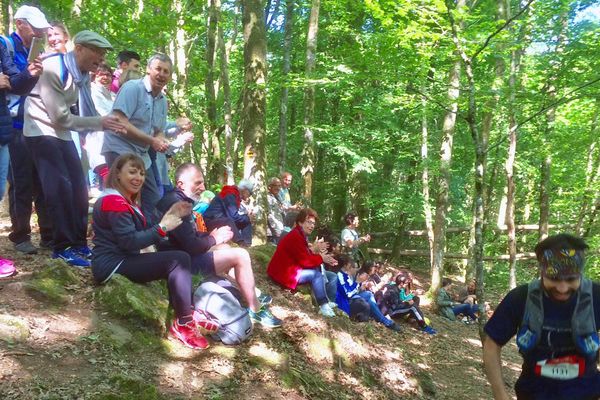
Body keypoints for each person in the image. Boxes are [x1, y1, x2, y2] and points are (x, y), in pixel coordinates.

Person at [91, 154, 217, 350]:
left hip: (123, 258)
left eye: (141, 173)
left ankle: (188, 314)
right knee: (179, 259)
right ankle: (184, 323)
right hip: (111, 264)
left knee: (179, 258)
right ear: (117, 174)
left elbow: (142, 232)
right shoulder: (113, 201)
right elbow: (129, 241)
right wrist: (162, 228)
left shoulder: (125, 201)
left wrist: (168, 218)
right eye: (132, 172)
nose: (139, 178)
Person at [23, 30, 125, 267]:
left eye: (103, 53)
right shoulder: (53, 69)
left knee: (79, 187)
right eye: (96, 52)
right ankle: (62, 247)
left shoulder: (80, 74)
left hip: (63, 133)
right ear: (78, 48)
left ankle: (79, 243)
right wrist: (100, 123)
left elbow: (73, 115)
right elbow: (61, 118)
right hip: (40, 130)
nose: (100, 58)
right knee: (59, 189)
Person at [156, 163, 282, 328]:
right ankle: (255, 310)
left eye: (202, 183)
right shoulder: (177, 204)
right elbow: (191, 246)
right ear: (181, 184)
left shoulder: (177, 199)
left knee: (225, 249)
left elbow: (187, 236)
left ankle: (251, 292)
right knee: (241, 255)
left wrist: (211, 237)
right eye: (197, 183)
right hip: (180, 265)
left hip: (181, 255)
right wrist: (213, 238)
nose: (202, 187)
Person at [483, 234, 600, 400]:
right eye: (554, 278)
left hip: (587, 393)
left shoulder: (596, 296)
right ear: (542, 271)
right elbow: (491, 345)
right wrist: (500, 395)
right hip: (533, 393)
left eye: (571, 279)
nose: (562, 288)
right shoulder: (521, 298)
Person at [1, 5, 53, 255]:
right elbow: (14, 84)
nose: (38, 33)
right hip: (14, 126)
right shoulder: (6, 48)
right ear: (19, 23)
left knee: (42, 180)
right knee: (21, 181)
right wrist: (29, 72)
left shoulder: (33, 51)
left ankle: (48, 234)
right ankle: (20, 235)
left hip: (37, 124)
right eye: (34, 27)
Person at [102, 53, 173, 225]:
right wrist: (152, 141)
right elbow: (120, 122)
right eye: (158, 69)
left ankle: (148, 237)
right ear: (148, 70)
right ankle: (114, 234)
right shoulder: (133, 88)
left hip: (141, 154)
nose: (161, 74)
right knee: (121, 194)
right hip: (119, 147)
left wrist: (161, 140)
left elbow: (159, 130)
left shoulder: (162, 100)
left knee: (153, 196)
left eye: (166, 71)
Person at [267, 208, 339, 317]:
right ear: (300, 222)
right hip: (282, 274)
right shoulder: (295, 236)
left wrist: (323, 258)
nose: (311, 226)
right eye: (308, 222)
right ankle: (323, 305)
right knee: (315, 274)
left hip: (289, 270)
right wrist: (321, 258)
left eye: (313, 223)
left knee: (319, 270)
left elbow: (306, 256)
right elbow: (305, 261)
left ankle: (325, 302)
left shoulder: (300, 235)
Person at [335, 255, 401, 332]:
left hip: (352, 297)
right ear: (347, 266)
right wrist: (358, 282)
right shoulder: (340, 275)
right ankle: (385, 321)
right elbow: (348, 294)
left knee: (368, 294)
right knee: (369, 295)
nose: (356, 269)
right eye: (354, 267)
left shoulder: (347, 275)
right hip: (345, 302)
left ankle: (383, 318)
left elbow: (353, 289)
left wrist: (359, 285)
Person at [86, 61, 115, 190]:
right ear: (94, 77)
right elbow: (104, 113)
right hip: (99, 139)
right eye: (100, 75)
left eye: (108, 75)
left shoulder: (114, 96)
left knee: (114, 179)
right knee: (107, 179)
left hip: (115, 142)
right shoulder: (91, 92)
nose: (105, 77)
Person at [203, 180, 254, 246]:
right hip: (210, 221)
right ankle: (241, 243)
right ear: (245, 190)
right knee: (230, 220)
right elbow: (234, 217)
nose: (249, 196)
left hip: (220, 219)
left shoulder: (234, 195)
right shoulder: (230, 194)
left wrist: (247, 218)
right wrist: (247, 217)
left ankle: (247, 244)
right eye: (250, 193)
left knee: (246, 221)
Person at [266, 177, 285, 244]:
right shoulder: (267, 198)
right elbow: (270, 215)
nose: (278, 188)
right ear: (269, 186)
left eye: (279, 186)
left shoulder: (277, 197)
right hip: (272, 233)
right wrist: (277, 231)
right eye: (275, 185)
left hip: (279, 229)